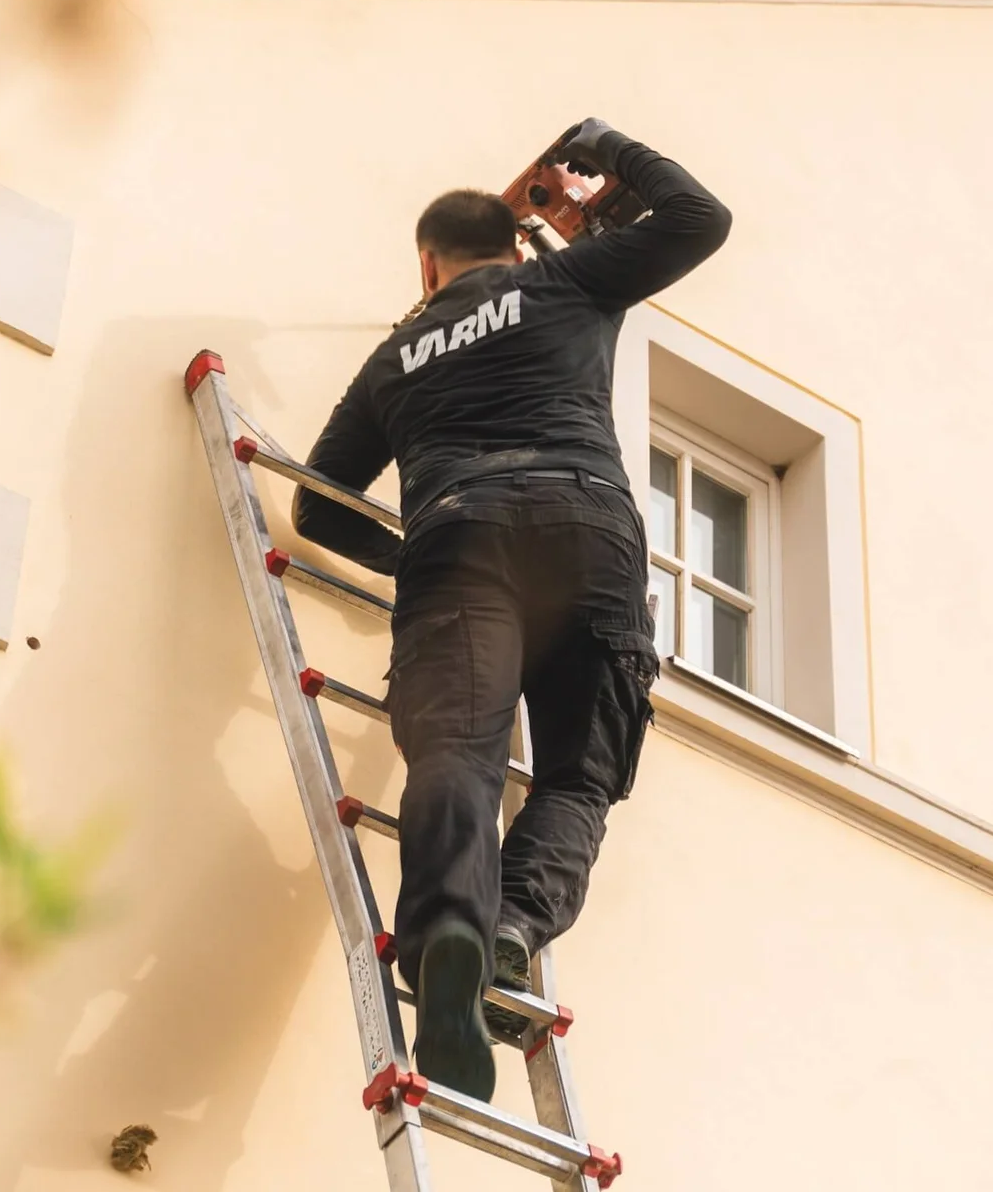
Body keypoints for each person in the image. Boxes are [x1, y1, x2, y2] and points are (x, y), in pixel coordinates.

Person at [293, 118, 732, 1102]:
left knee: (456, 754)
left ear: (426, 262)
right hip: (585, 526)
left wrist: (417, 561)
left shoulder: (395, 358)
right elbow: (701, 218)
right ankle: (510, 930)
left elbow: (315, 502)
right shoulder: (569, 281)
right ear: (510, 242)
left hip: (457, 538)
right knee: (577, 774)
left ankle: (448, 922)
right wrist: (606, 151)